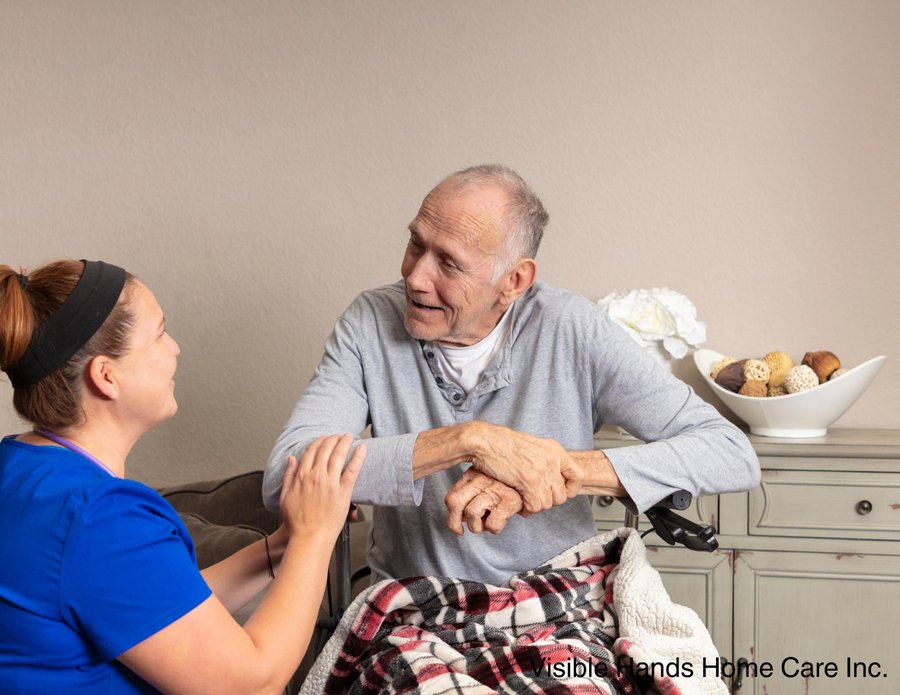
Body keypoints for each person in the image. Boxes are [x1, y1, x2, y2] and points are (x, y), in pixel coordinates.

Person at [263, 164, 760, 586]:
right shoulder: (370, 321)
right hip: (412, 609)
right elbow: (286, 473)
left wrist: (561, 469)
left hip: (558, 602)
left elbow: (729, 452)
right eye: (416, 244)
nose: (415, 277)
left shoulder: (570, 327)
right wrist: (469, 441)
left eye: (448, 264)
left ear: (514, 281)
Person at [0, 259, 365, 694]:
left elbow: (162, 608)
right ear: (106, 376)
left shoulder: (19, 468)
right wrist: (314, 535)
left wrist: (279, 546)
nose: (175, 347)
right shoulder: (99, 517)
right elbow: (251, 686)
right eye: (158, 334)